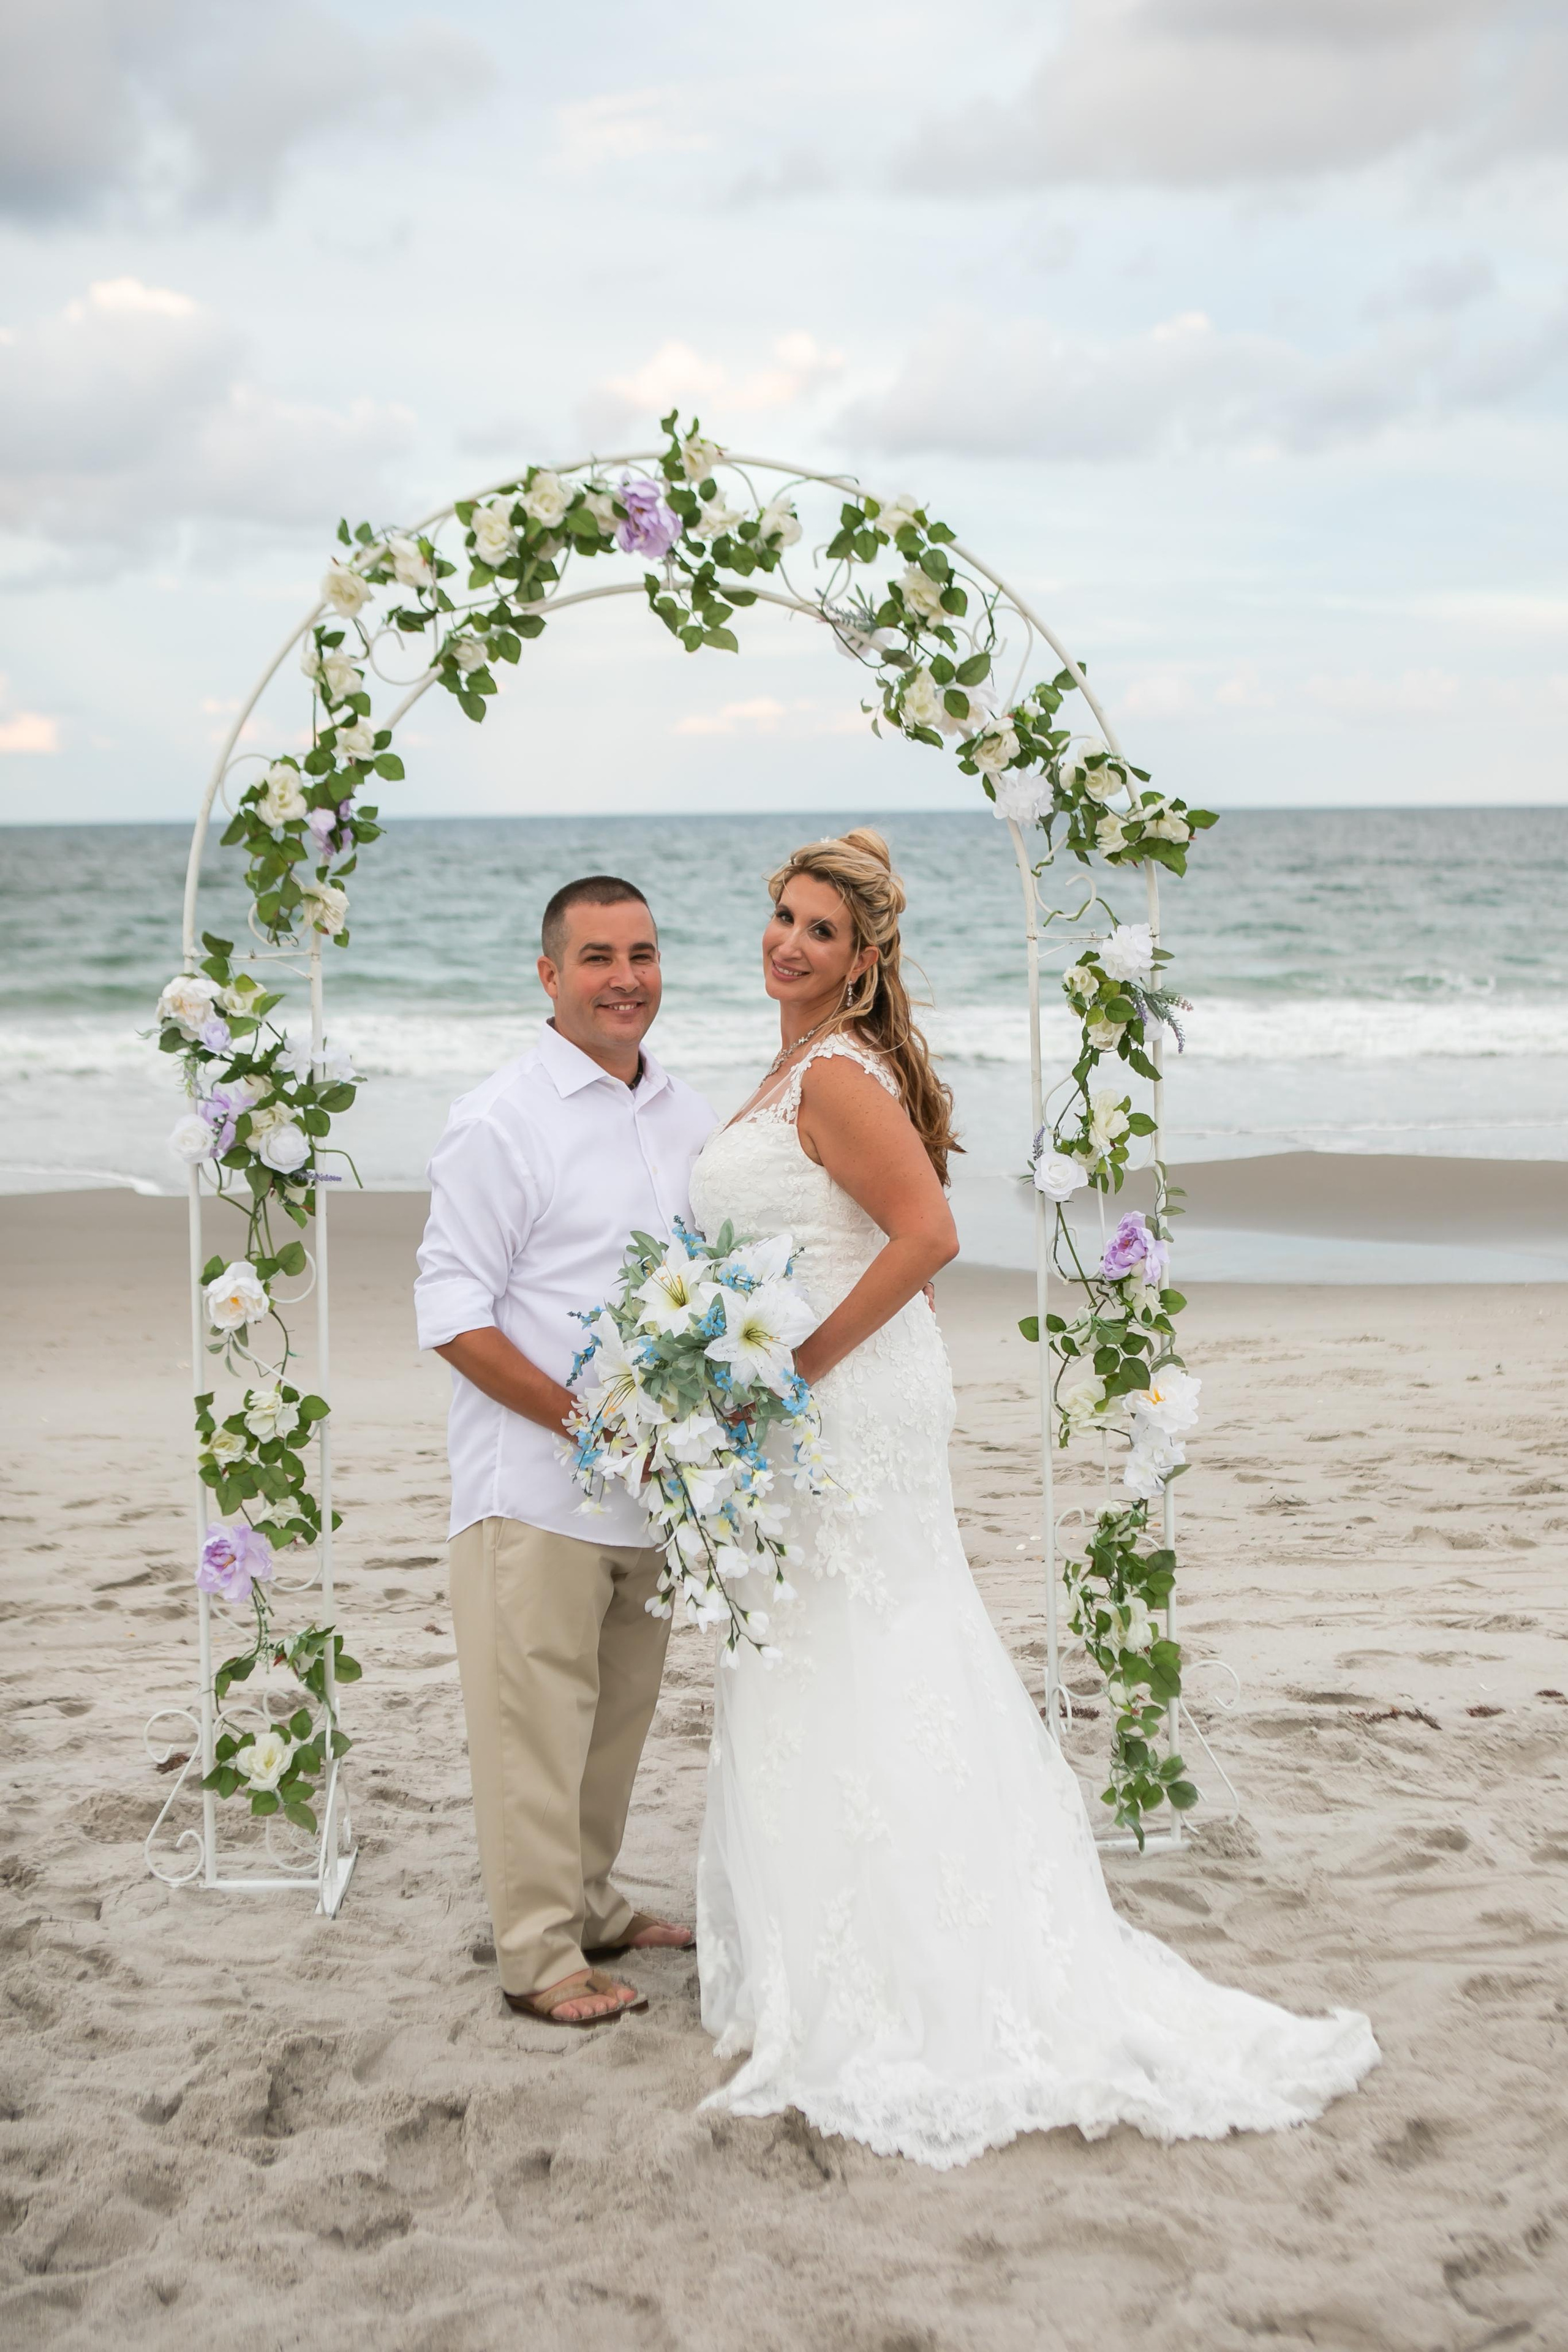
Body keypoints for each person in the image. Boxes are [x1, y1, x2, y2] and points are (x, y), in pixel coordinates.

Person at [688, 827, 1380, 2168]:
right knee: (825, 1642)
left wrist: (799, 1363)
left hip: (841, 1397)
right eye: (779, 916)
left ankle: (913, 1960)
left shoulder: (834, 1072)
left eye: (819, 930)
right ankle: (837, 1936)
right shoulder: (797, 1065)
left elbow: (929, 1234)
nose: (787, 942)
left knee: (867, 1642)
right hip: (820, 1391)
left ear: (866, 957)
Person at [415, 876, 715, 2026]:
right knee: (532, 1729)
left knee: (614, 1723)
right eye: (596, 958)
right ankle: (539, 1957)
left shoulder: (686, 1114)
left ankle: (590, 1903)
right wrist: (582, 1423)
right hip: (534, 1488)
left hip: (652, 1494)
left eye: (641, 953)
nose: (624, 979)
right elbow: (451, 1312)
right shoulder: (502, 1118)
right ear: (549, 976)